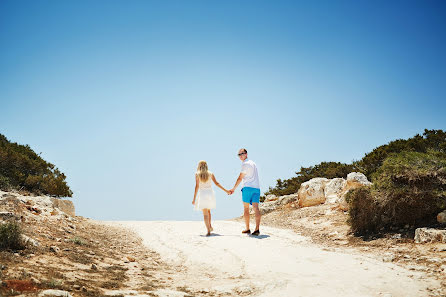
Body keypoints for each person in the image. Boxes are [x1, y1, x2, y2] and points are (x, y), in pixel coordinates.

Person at [229, 148, 261, 236]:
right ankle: (257, 229)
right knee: (256, 208)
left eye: (242, 154)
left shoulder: (245, 164)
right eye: (239, 155)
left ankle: (247, 229)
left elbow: (240, 177)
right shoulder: (253, 163)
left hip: (247, 188)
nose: (240, 156)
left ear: (246, 154)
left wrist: (233, 188)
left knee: (246, 208)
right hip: (256, 188)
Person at [192, 160, 230, 236]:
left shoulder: (197, 174)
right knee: (208, 211)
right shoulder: (210, 174)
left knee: (205, 213)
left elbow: (197, 187)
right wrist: (226, 190)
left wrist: (194, 198)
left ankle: (208, 230)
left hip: (202, 194)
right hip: (210, 193)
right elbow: (217, 183)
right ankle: (210, 226)